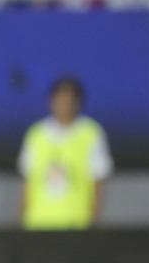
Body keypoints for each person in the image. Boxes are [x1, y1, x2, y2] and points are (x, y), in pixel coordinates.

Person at [18, 76, 112, 230]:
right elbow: (27, 184)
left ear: (78, 103)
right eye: (60, 100)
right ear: (51, 101)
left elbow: (98, 182)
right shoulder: (36, 134)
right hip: (38, 224)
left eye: (69, 101)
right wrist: (21, 221)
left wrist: (94, 221)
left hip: (76, 223)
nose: (64, 105)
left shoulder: (91, 133)